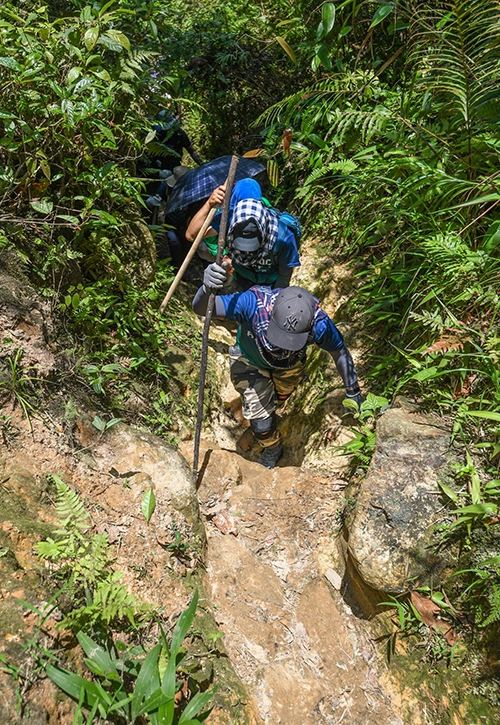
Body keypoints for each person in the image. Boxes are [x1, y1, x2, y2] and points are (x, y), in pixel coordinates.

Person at [192, 276, 364, 469]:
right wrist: (207, 287)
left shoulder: (320, 324)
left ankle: (271, 407)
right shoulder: (252, 303)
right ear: (272, 313)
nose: (282, 345)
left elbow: (339, 352)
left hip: (289, 368)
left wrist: (353, 391)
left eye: (291, 341)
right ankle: (272, 446)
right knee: (262, 425)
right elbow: (202, 307)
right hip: (249, 361)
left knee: (279, 398)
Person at [186, 179, 300, 289]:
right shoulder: (229, 218)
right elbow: (192, 235)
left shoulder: (284, 235)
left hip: (270, 283)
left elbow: (284, 275)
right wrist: (210, 203)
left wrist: (274, 298)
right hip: (242, 280)